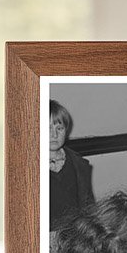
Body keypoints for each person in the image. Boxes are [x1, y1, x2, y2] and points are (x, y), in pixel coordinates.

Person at [48, 99, 94, 231]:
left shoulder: (79, 165)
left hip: (75, 234)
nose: (54, 134)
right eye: (48, 128)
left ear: (66, 131)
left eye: (59, 128)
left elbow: (88, 206)